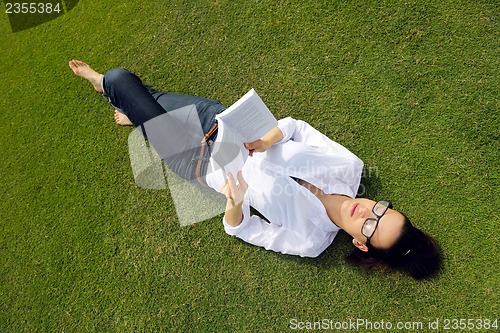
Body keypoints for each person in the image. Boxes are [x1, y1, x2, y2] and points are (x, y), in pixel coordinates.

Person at [69, 60, 441, 279]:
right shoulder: (349, 167)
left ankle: (105, 88)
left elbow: (242, 228)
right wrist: (265, 141)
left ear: (361, 244)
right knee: (147, 99)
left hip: (197, 161)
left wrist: (234, 201)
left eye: (372, 226)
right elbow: (295, 127)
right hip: (220, 123)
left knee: (118, 79)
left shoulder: (311, 241)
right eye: (383, 209)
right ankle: (138, 115)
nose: (370, 211)